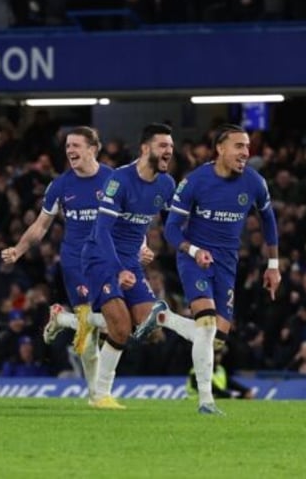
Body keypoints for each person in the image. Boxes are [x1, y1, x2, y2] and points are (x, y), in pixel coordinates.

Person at [136, 123, 280, 415]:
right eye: (239, 146)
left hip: (227, 264)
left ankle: (163, 316)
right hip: (194, 260)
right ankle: (206, 402)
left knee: (216, 337)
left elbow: (269, 221)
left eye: (247, 147)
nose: (245, 152)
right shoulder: (194, 182)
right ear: (220, 149)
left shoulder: (254, 182)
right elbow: (171, 230)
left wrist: (273, 265)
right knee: (206, 323)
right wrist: (194, 250)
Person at [1, 126, 113, 400]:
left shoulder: (114, 180)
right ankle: (95, 395)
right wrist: (18, 249)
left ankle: (62, 319)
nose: (70, 151)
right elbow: (40, 226)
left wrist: (143, 246)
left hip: (109, 257)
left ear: (92, 148)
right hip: (76, 260)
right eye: (67, 146)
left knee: (117, 321)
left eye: (76, 145)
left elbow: (130, 221)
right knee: (89, 328)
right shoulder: (60, 185)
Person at [80, 123, 178, 409]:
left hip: (131, 263)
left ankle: (87, 320)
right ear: (145, 148)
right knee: (121, 328)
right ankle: (100, 396)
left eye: (171, 148)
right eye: (163, 146)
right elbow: (102, 231)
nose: (168, 152)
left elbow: (175, 224)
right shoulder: (119, 180)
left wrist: (193, 246)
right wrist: (117, 269)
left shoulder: (166, 184)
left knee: (150, 325)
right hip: (101, 258)